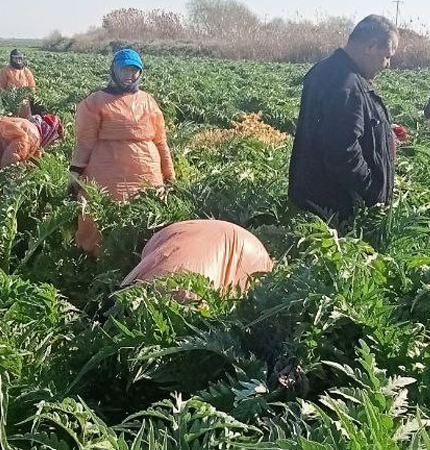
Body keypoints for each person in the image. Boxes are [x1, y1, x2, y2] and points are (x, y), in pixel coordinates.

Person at [288, 15, 400, 228]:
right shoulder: (347, 84)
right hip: (338, 213)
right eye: (386, 56)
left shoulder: (326, 70)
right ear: (370, 46)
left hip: (316, 203)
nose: (387, 65)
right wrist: (372, 194)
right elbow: (343, 152)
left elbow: (336, 129)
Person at [70, 49, 175, 255]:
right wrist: (75, 173)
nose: (130, 75)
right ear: (114, 71)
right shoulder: (95, 102)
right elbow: (84, 141)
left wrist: (169, 174)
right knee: (101, 217)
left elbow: (161, 141)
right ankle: (97, 265)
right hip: (107, 172)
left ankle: (140, 265)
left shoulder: (147, 101)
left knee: (146, 218)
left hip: (147, 171)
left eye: (134, 70)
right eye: (125, 69)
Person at [121, 220, 273, 298]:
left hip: (139, 282)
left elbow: (147, 254)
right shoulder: (259, 259)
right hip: (191, 290)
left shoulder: (167, 232)